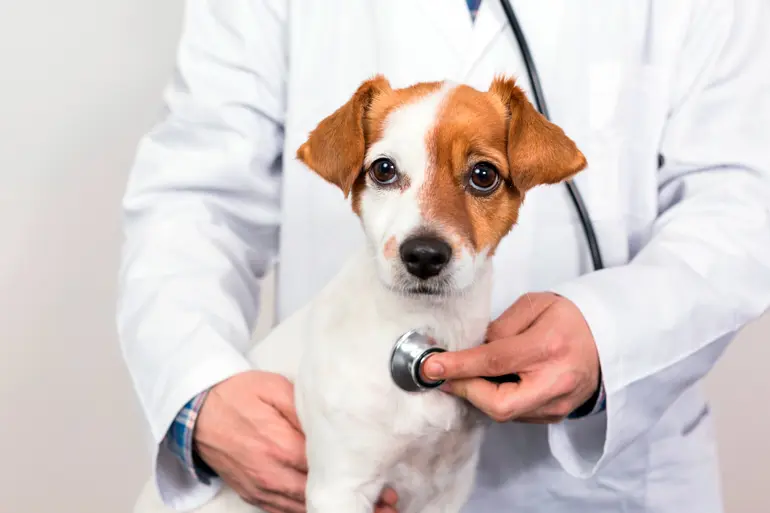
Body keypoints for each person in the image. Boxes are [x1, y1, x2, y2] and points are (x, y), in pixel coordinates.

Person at [117, 1, 770, 512]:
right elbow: (196, 196)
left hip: (603, 489)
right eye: (386, 174)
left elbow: (743, 199)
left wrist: (613, 332)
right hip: (307, 460)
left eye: (482, 176)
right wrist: (198, 393)